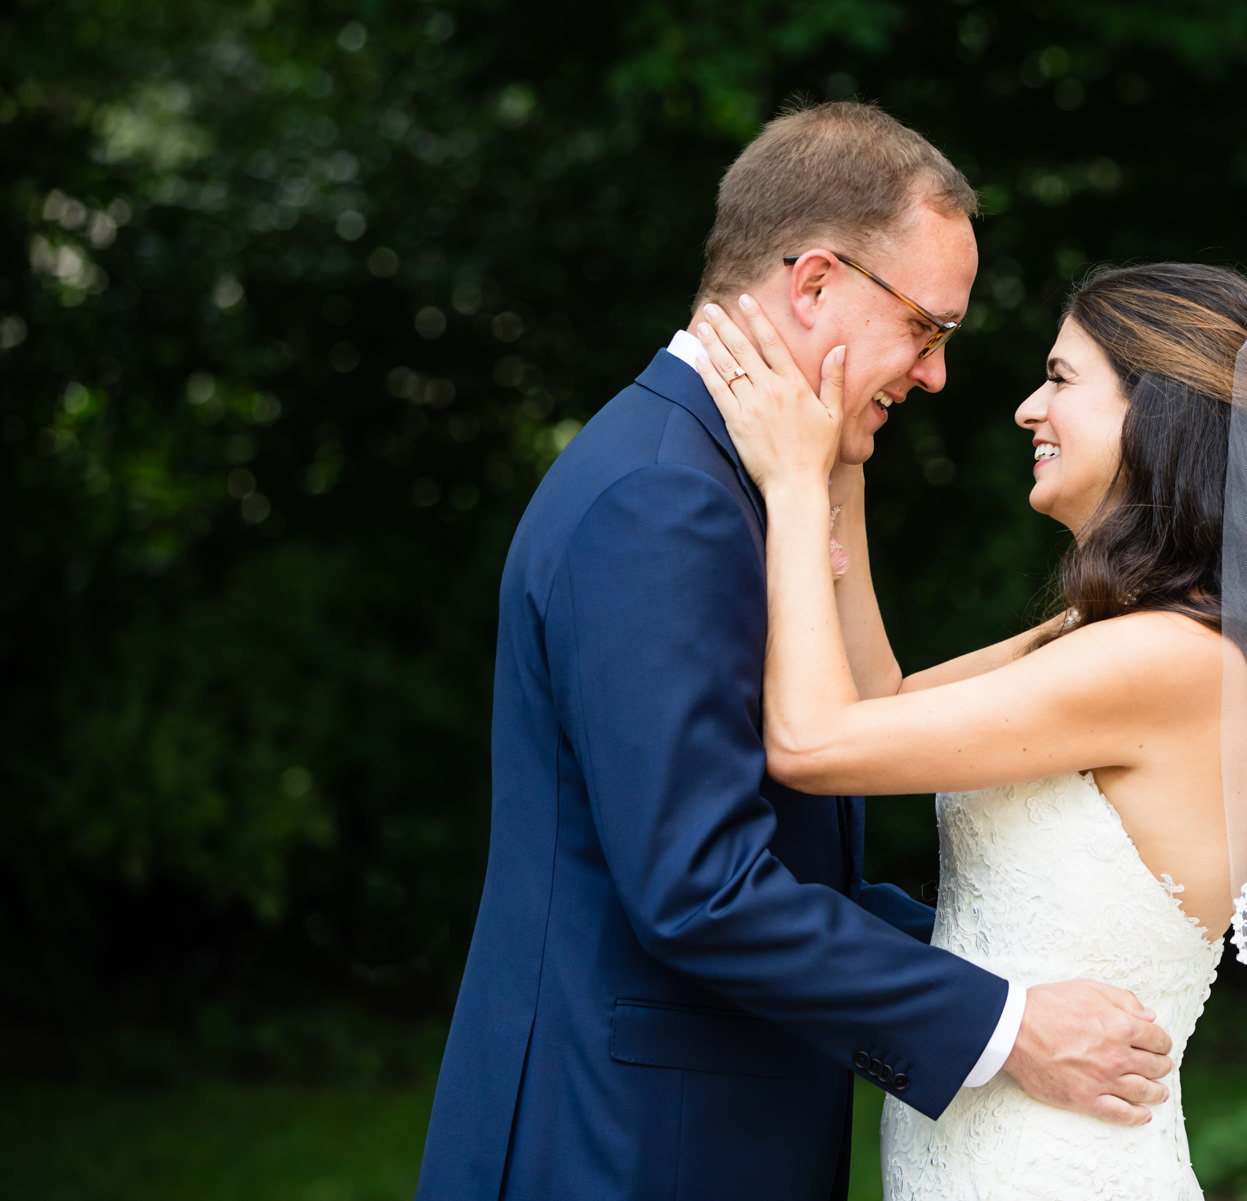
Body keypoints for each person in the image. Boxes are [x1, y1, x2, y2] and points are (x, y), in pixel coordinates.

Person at [413, 101, 1174, 1201]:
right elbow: (699, 887)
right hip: (628, 1149)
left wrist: (1021, 963)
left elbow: (792, 863)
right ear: (813, 283)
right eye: (928, 328)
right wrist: (1008, 1027)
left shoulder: (725, 478)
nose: (935, 376)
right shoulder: (666, 498)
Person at [693, 261, 1247, 1199]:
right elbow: (878, 706)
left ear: (1152, 414)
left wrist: (794, 487)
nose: (1025, 408)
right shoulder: (1108, 638)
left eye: (1061, 377)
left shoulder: (1166, 661)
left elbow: (814, 743)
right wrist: (842, 460)